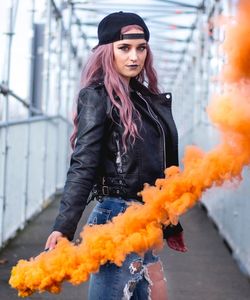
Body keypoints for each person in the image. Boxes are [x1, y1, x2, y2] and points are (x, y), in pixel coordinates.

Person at [45, 11, 187, 300]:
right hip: (117, 219)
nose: (134, 56)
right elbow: (83, 165)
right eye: (124, 48)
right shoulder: (97, 97)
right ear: (106, 52)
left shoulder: (148, 100)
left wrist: (171, 221)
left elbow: (162, 165)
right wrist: (63, 227)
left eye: (141, 48)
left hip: (146, 221)